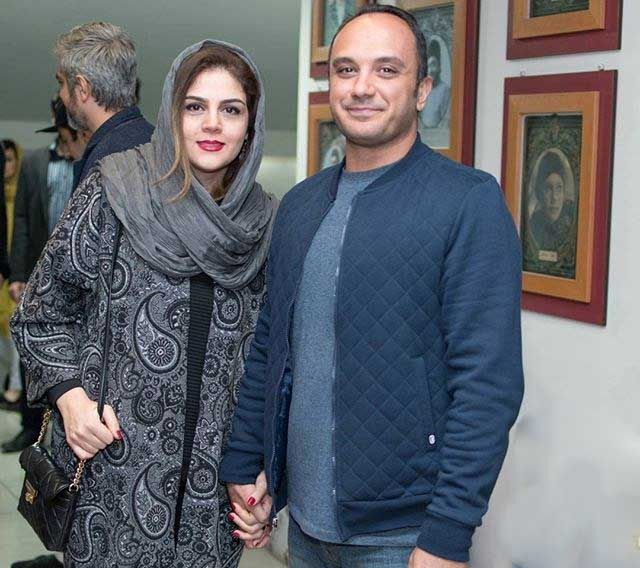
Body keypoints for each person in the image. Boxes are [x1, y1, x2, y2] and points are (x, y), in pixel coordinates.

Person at [220, 5, 524, 568]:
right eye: (346, 69)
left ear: (422, 90)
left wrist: (447, 533)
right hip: (304, 527)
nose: (362, 87)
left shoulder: (467, 202)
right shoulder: (300, 206)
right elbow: (270, 347)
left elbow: (488, 386)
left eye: (387, 70)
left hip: (404, 536)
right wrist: (247, 461)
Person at [12, 40, 277, 567]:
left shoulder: (263, 225)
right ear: (172, 114)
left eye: (231, 110)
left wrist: (262, 471)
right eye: (195, 106)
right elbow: (40, 312)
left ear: (250, 126)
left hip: (211, 505)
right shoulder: (116, 191)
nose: (212, 124)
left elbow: (271, 363)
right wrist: (70, 398)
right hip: (111, 481)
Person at [1, 102, 81, 454]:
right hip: (37, 272)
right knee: (29, 350)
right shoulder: (34, 162)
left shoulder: (88, 159)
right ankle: (30, 428)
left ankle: (65, 430)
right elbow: (20, 220)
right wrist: (17, 273)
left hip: (76, 276)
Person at [54, 21, 153, 188]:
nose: (61, 95)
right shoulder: (157, 141)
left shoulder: (106, 163)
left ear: (82, 88)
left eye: (61, 83)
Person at [0, 139, 23, 410]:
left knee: (15, 332)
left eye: (9, 160)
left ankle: (15, 387)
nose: (5, 166)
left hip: (14, 272)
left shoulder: (22, 194)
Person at [528, 151, 576, 253]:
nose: (554, 197)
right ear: (540, 193)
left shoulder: (571, 224)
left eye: (559, 188)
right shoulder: (533, 226)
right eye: (548, 189)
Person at [419, 40, 450, 130]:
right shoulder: (420, 90)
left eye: (433, 65)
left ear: (439, 67)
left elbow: (445, 121)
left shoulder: (445, 90)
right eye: (428, 66)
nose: (431, 70)